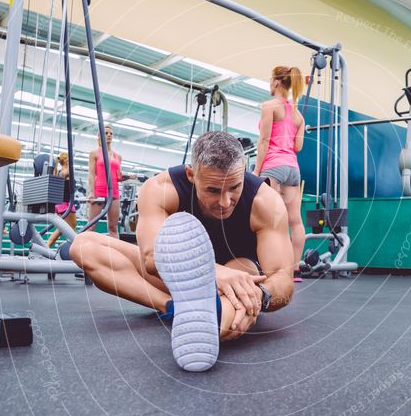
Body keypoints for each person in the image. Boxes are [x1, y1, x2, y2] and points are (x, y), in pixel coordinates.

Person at [70, 131, 294, 372]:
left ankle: (213, 317)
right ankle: (174, 308)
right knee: (82, 246)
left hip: (238, 276)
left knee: (242, 277)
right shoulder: (160, 188)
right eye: (212, 190)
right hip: (179, 276)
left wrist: (260, 296)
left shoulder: (266, 201)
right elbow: (151, 258)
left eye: (234, 188)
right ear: (191, 175)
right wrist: (211, 272)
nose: (225, 201)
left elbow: (283, 277)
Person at [254, 65, 306, 282]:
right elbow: (298, 147)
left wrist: (256, 171)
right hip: (293, 169)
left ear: (276, 82)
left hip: (273, 167)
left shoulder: (269, 106)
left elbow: (264, 140)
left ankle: (270, 267)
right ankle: (295, 270)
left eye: (270, 81)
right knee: (295, 221)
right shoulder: (298, 115)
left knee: (269, 220)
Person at [87, 124, 123, 238]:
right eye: (106, 133)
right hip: (99, 192)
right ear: (99, 136)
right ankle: (82, 252)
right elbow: (91, 174)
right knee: (91, 227)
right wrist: (91, 192)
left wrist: (128, 177)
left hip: (114, 193)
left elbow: (119, 176)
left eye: (111, 134)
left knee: (113, 228)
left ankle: (115, 254)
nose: (109, 135)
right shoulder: (94, 153)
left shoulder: (118, 156)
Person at [46, 152, 77, 248]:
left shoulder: (64, 172)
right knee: (71, 229)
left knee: (61, 230)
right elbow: (69, 172)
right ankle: (73, 249)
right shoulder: (63, 173)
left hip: (66, 203)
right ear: (67, 160)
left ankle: (47, 246)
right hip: (64, 204)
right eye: (70, 159)